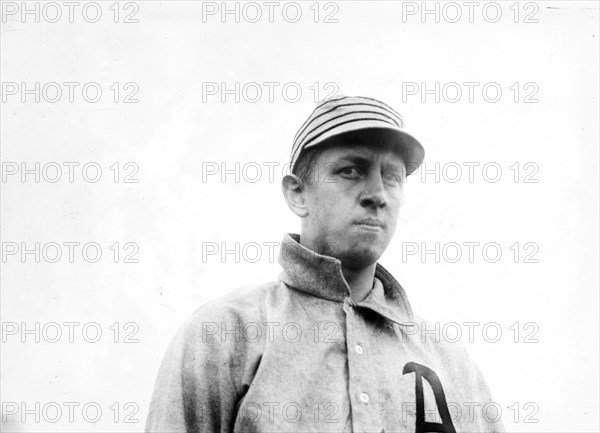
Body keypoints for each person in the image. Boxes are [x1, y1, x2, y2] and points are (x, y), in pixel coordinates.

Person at [145, 95, 504, 432]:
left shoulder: (448, 359)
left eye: (392, 176)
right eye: (351, 170)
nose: (377, 194)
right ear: (297, 193)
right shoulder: (224, 333)